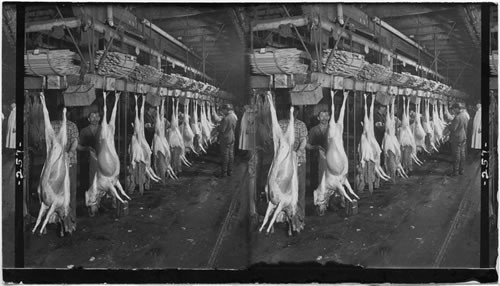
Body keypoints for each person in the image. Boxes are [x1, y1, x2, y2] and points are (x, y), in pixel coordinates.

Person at [279, 106, 308, 225]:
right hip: (284, 162)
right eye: (290, 111)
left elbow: (304, 140)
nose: (293, 113)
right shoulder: (281, 124)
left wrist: (299, 151)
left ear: (297, 113)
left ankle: (300, 215)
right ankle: (284, 215)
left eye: (295, 111)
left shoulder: (301, 125)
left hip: (299, 160)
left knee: (300, 188)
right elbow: (277, 139)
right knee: (284, 188)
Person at [51, 105, 79, 223]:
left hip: (64, 162)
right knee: (62, 191)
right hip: (61, 164)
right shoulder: (54, 125)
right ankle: (62, 217)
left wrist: (70, 152)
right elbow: (75, 142)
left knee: (67, 191)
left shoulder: (71, 126)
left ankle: (67, 218)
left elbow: (74, 142)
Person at [78, 111, 101, 193]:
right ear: (88, 119)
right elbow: (78, 146)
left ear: (100, 118)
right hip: (86, 161)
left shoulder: (103, 129)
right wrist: (87, 148)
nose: (95, 119)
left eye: (97, 116)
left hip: (101, 161)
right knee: (87, 183)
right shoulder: (84, 131)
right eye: (92, 117)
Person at [306, 110, 330, 188]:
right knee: (317, 183)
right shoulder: (313, 130)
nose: (324, 118)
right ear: (318, 118)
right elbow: (307, 145)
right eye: (322, 116)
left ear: (329, 117)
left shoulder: (333, 129)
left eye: (326, 116)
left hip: (331, 159)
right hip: (316, 160)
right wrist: (316, 147)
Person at [447, 103, 469, 176]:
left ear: (456, 108)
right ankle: (461, 170)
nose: (453, 111)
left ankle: (455, 172)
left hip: (456, 138)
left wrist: (448, 126)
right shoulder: (464, 115)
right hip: (463, 136)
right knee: (462, 154)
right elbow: (466, 126)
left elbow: (453, 128)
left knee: (456, 155)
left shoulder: (457, 117)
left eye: (453, 109)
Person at [217, 103, 238, 177]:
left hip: (225, 139)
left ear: (226, 110)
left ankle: (224, 173)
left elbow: (222, 130)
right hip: (232, 137)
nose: (222, 111)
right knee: (231, 155)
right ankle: (230, 171)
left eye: (223, 110)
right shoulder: (234, 116)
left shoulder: (226, 118)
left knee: (225, 156)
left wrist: (217, 128)